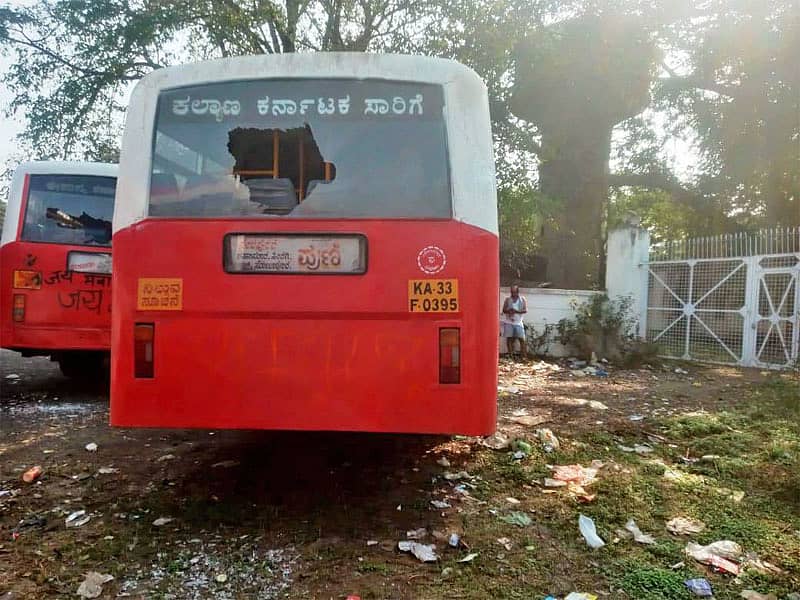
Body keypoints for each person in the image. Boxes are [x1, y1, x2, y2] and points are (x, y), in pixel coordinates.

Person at [502, 285, 528, 358]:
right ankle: (511, 356)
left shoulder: (522, 299)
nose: (513, 293)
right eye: (512, 292)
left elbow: (525, 310)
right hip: (509, 322)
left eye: (514, 292)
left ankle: (524, 356)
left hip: (518, 322)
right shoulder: (507, 299)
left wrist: (516, 311)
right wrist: (509, 311)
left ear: (518, 292)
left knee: (522, 339)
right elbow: (504, 310)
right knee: (509, 339)